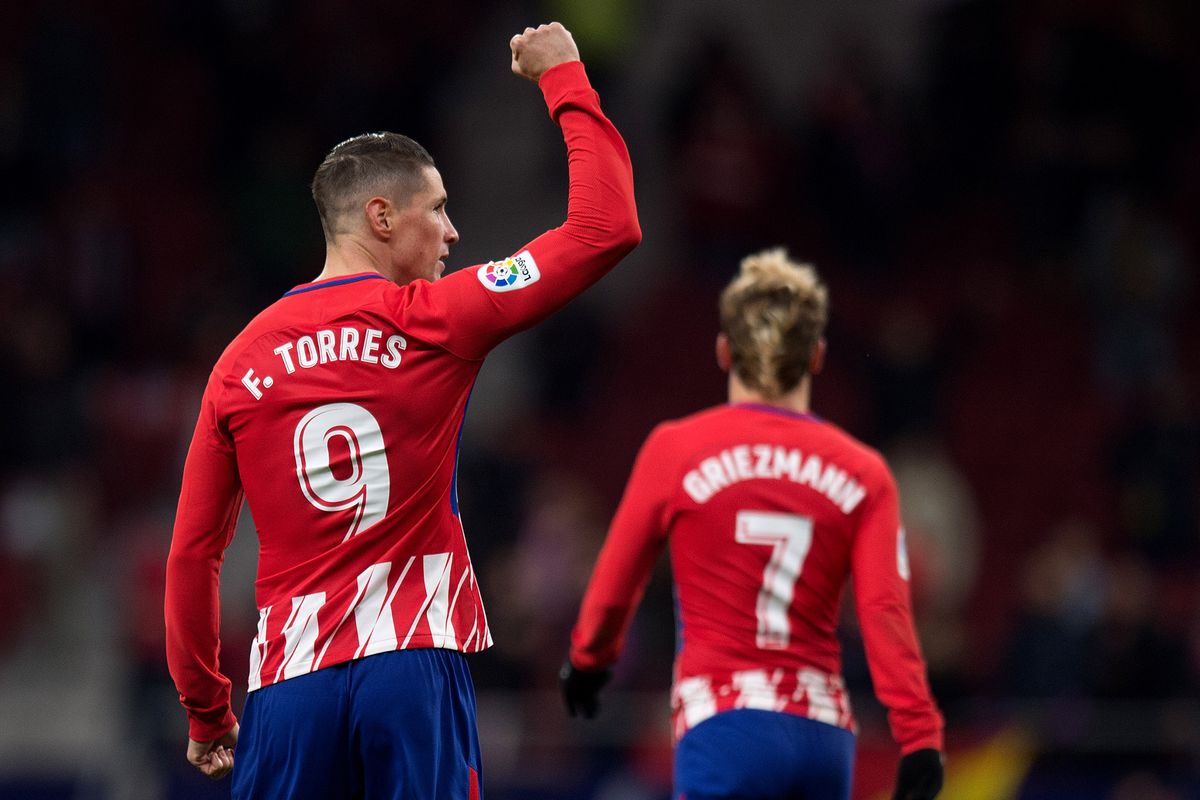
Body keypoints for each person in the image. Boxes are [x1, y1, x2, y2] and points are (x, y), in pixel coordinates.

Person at [164, 22, 639, 799]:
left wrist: (205, 709)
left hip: (289, 687)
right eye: (438, 209)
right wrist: (565, 79)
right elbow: (606, 227)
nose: (453, 231)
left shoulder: (240, 363)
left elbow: (193, 555)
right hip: (411, 664)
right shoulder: (438, 318)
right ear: (382, 217)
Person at [561, 250, 944, 800]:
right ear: (816, 356)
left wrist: (588, 662)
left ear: (724, 350)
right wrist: (920, 736)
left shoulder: (675, 450)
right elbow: (885, 612)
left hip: (724, 724)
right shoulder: (864, 472)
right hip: (823, 734)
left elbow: (616, 581)